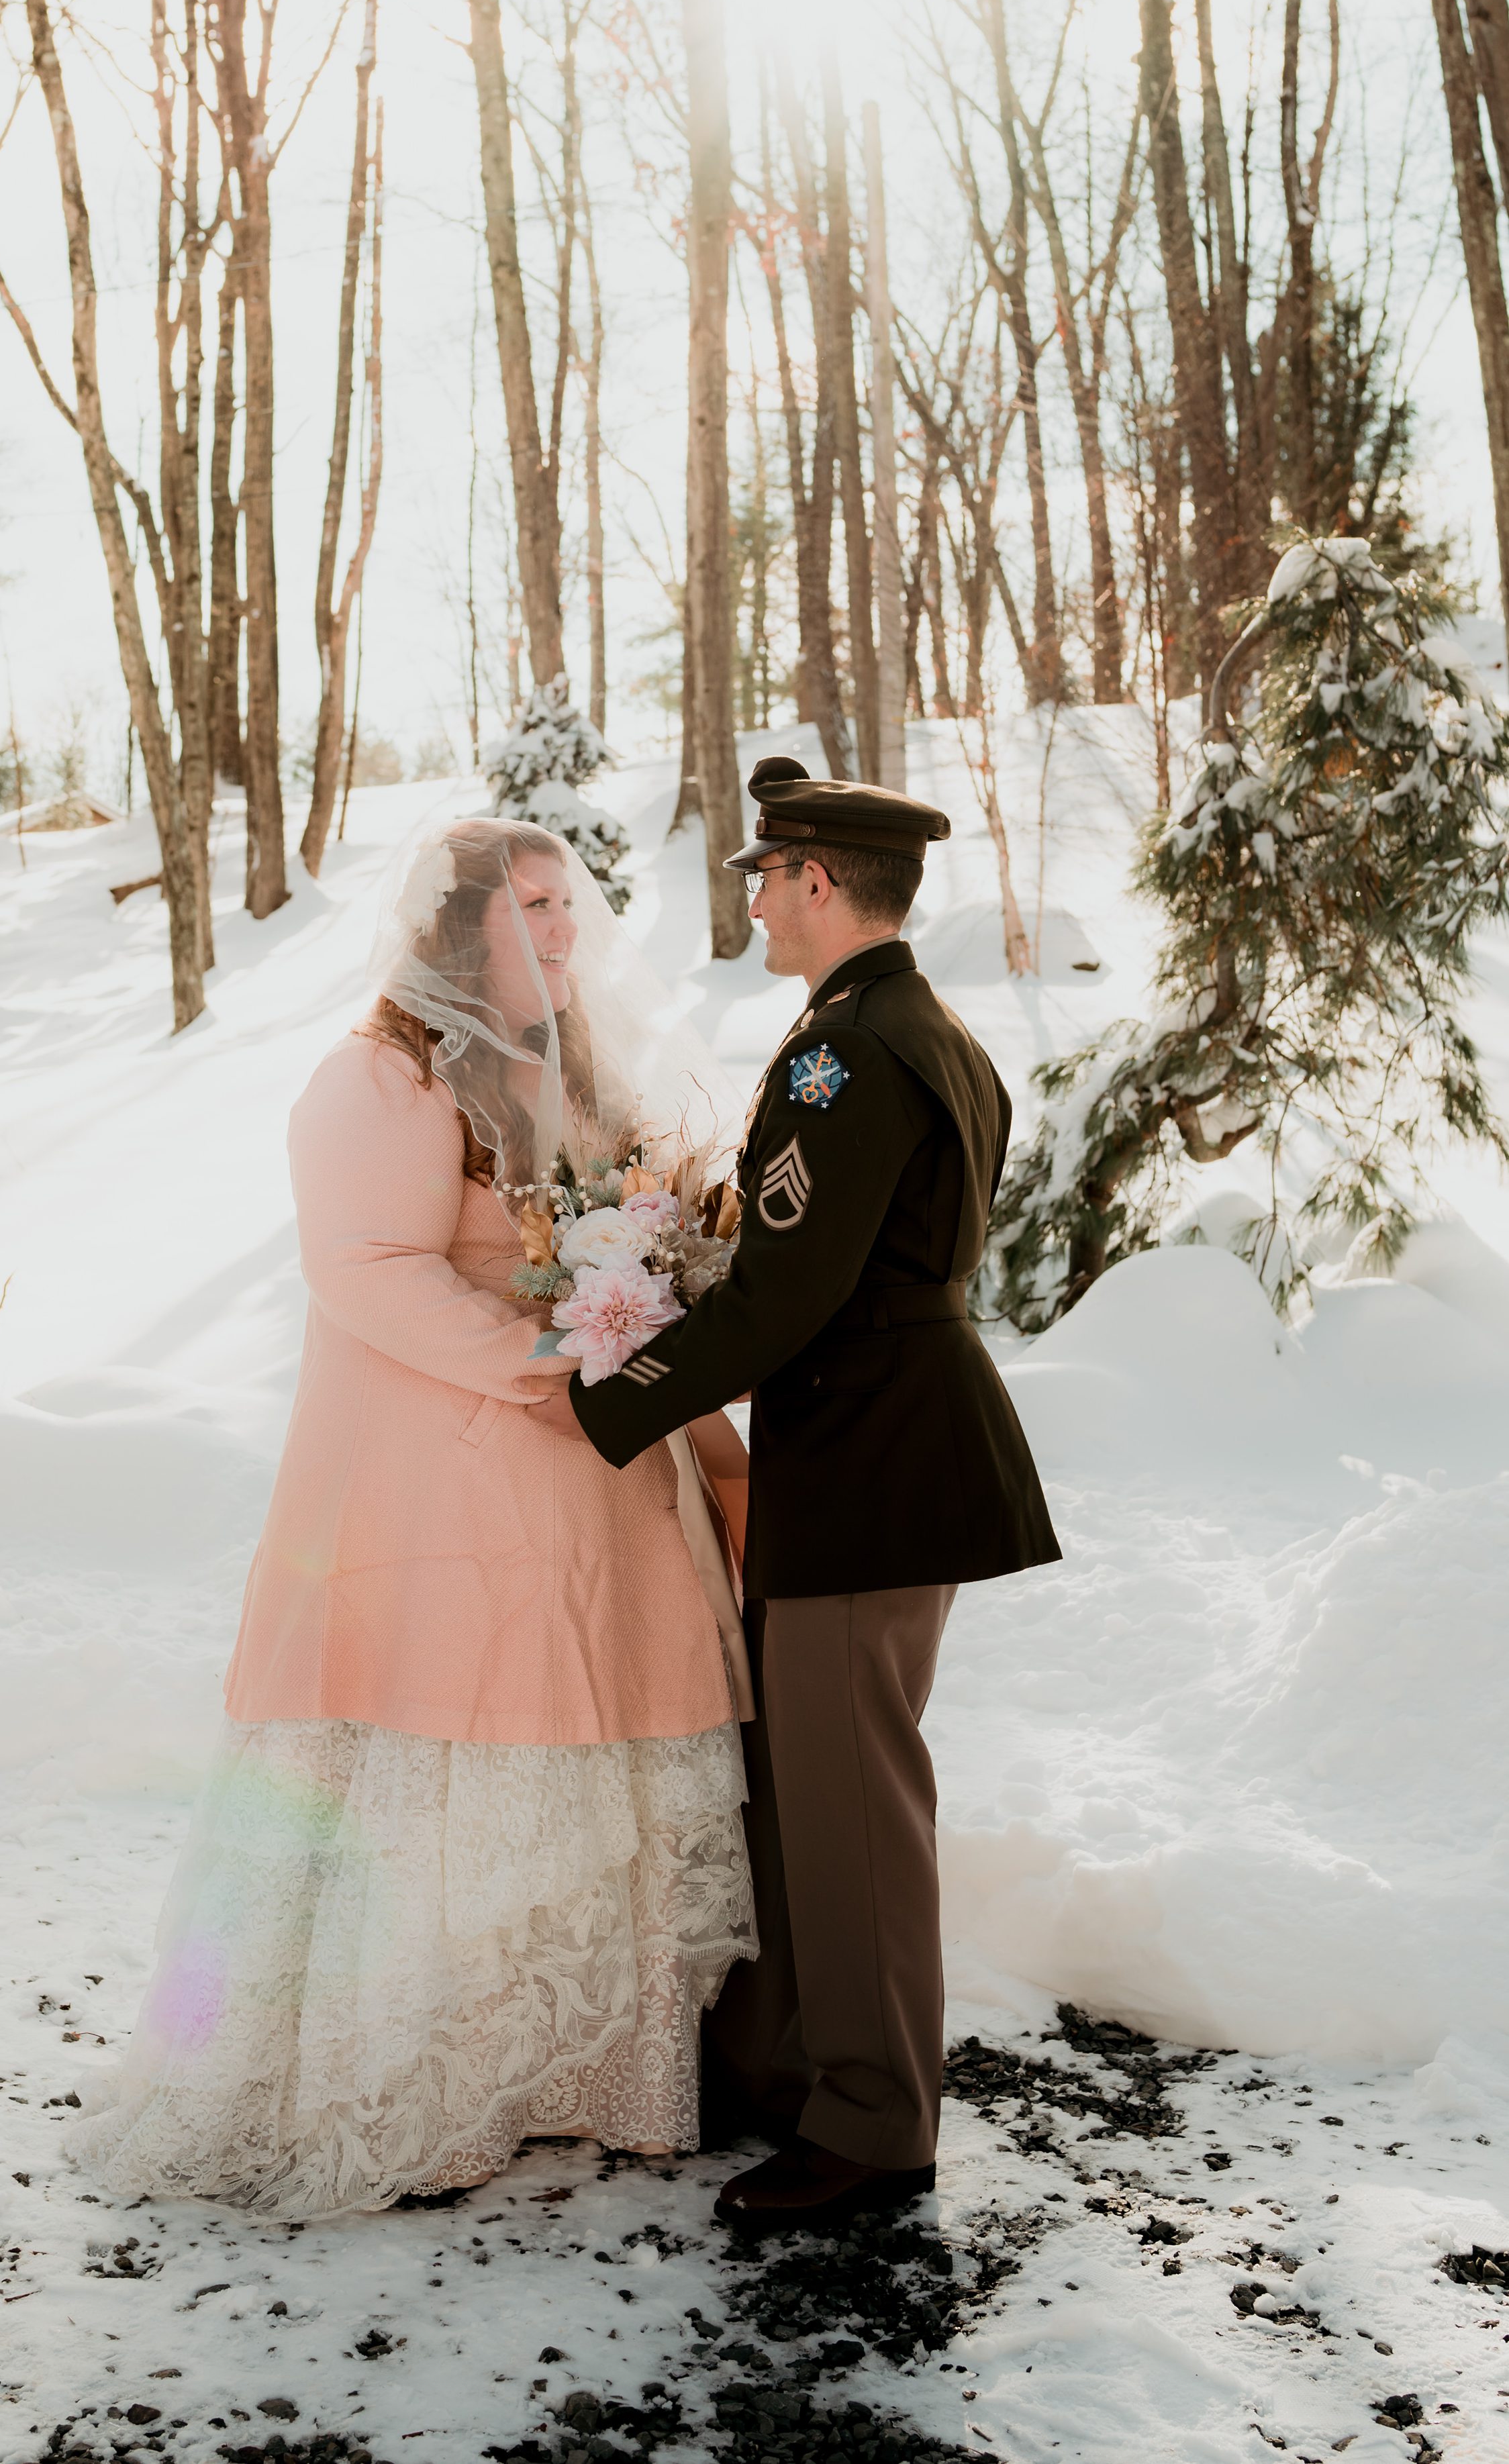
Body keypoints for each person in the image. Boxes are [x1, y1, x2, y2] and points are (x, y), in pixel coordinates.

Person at [71, 818, 755, 2220]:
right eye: (538, 908)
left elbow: (628, 1220)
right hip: (440, 1474)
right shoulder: (378, 1077)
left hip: (596, 1475)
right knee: (451, 1741)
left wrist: (650, 1300)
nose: (567, 930)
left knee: (595, 1745)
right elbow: (367, 1267)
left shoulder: (577, 1065)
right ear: (463, 927)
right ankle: (429, 2083)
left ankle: (586, 2074)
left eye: (575, 904)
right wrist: (545, 1365)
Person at [561, 755, 1062, 2232]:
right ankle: (794, 2070)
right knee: (814, 1790)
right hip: (886, 1443)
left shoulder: (844, 1054)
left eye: (770, 877)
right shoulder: (927, 1031)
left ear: (821, 883)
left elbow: (791, 1295)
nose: (760, 900)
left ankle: (873, 2123)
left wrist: (614, 1393)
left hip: (873, 1458)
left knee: (850, 1808)